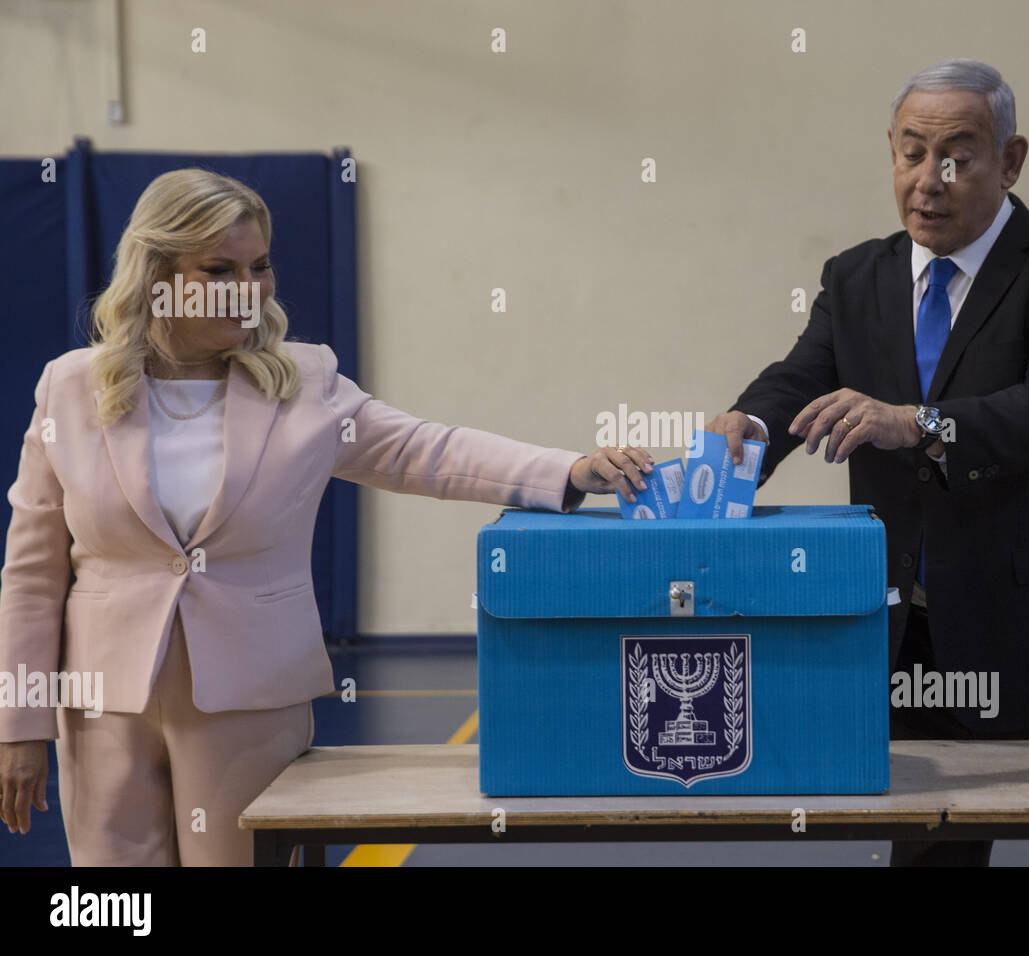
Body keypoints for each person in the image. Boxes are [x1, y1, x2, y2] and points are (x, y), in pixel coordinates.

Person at [0, 167, 653, 865]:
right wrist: (18, 723)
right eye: (220, 269)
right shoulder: (68, 388)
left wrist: (568, 471)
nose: (249, 289)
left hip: (253, 698)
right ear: (156, 274)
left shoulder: (305, 385)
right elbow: (32, 575)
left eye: (260, 266)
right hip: (101, 707)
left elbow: (427, 450)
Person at [706, 59, 1029, 866]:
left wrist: (918, 423)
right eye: (912, 152)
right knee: (929, 859)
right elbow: (800, 378)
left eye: (957, 156)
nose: (930, 179)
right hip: (918, 647)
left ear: (1011, 161)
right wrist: (747, 425)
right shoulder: (857, 275)